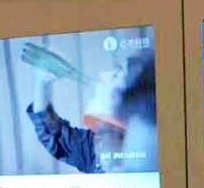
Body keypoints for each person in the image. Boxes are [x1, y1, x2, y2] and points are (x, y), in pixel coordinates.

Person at [24, 46, 157, 175]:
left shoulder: (151, 147)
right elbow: (55, 137)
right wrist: (42, 82)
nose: (103, 75)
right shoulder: (98, 143)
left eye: (116, 74)